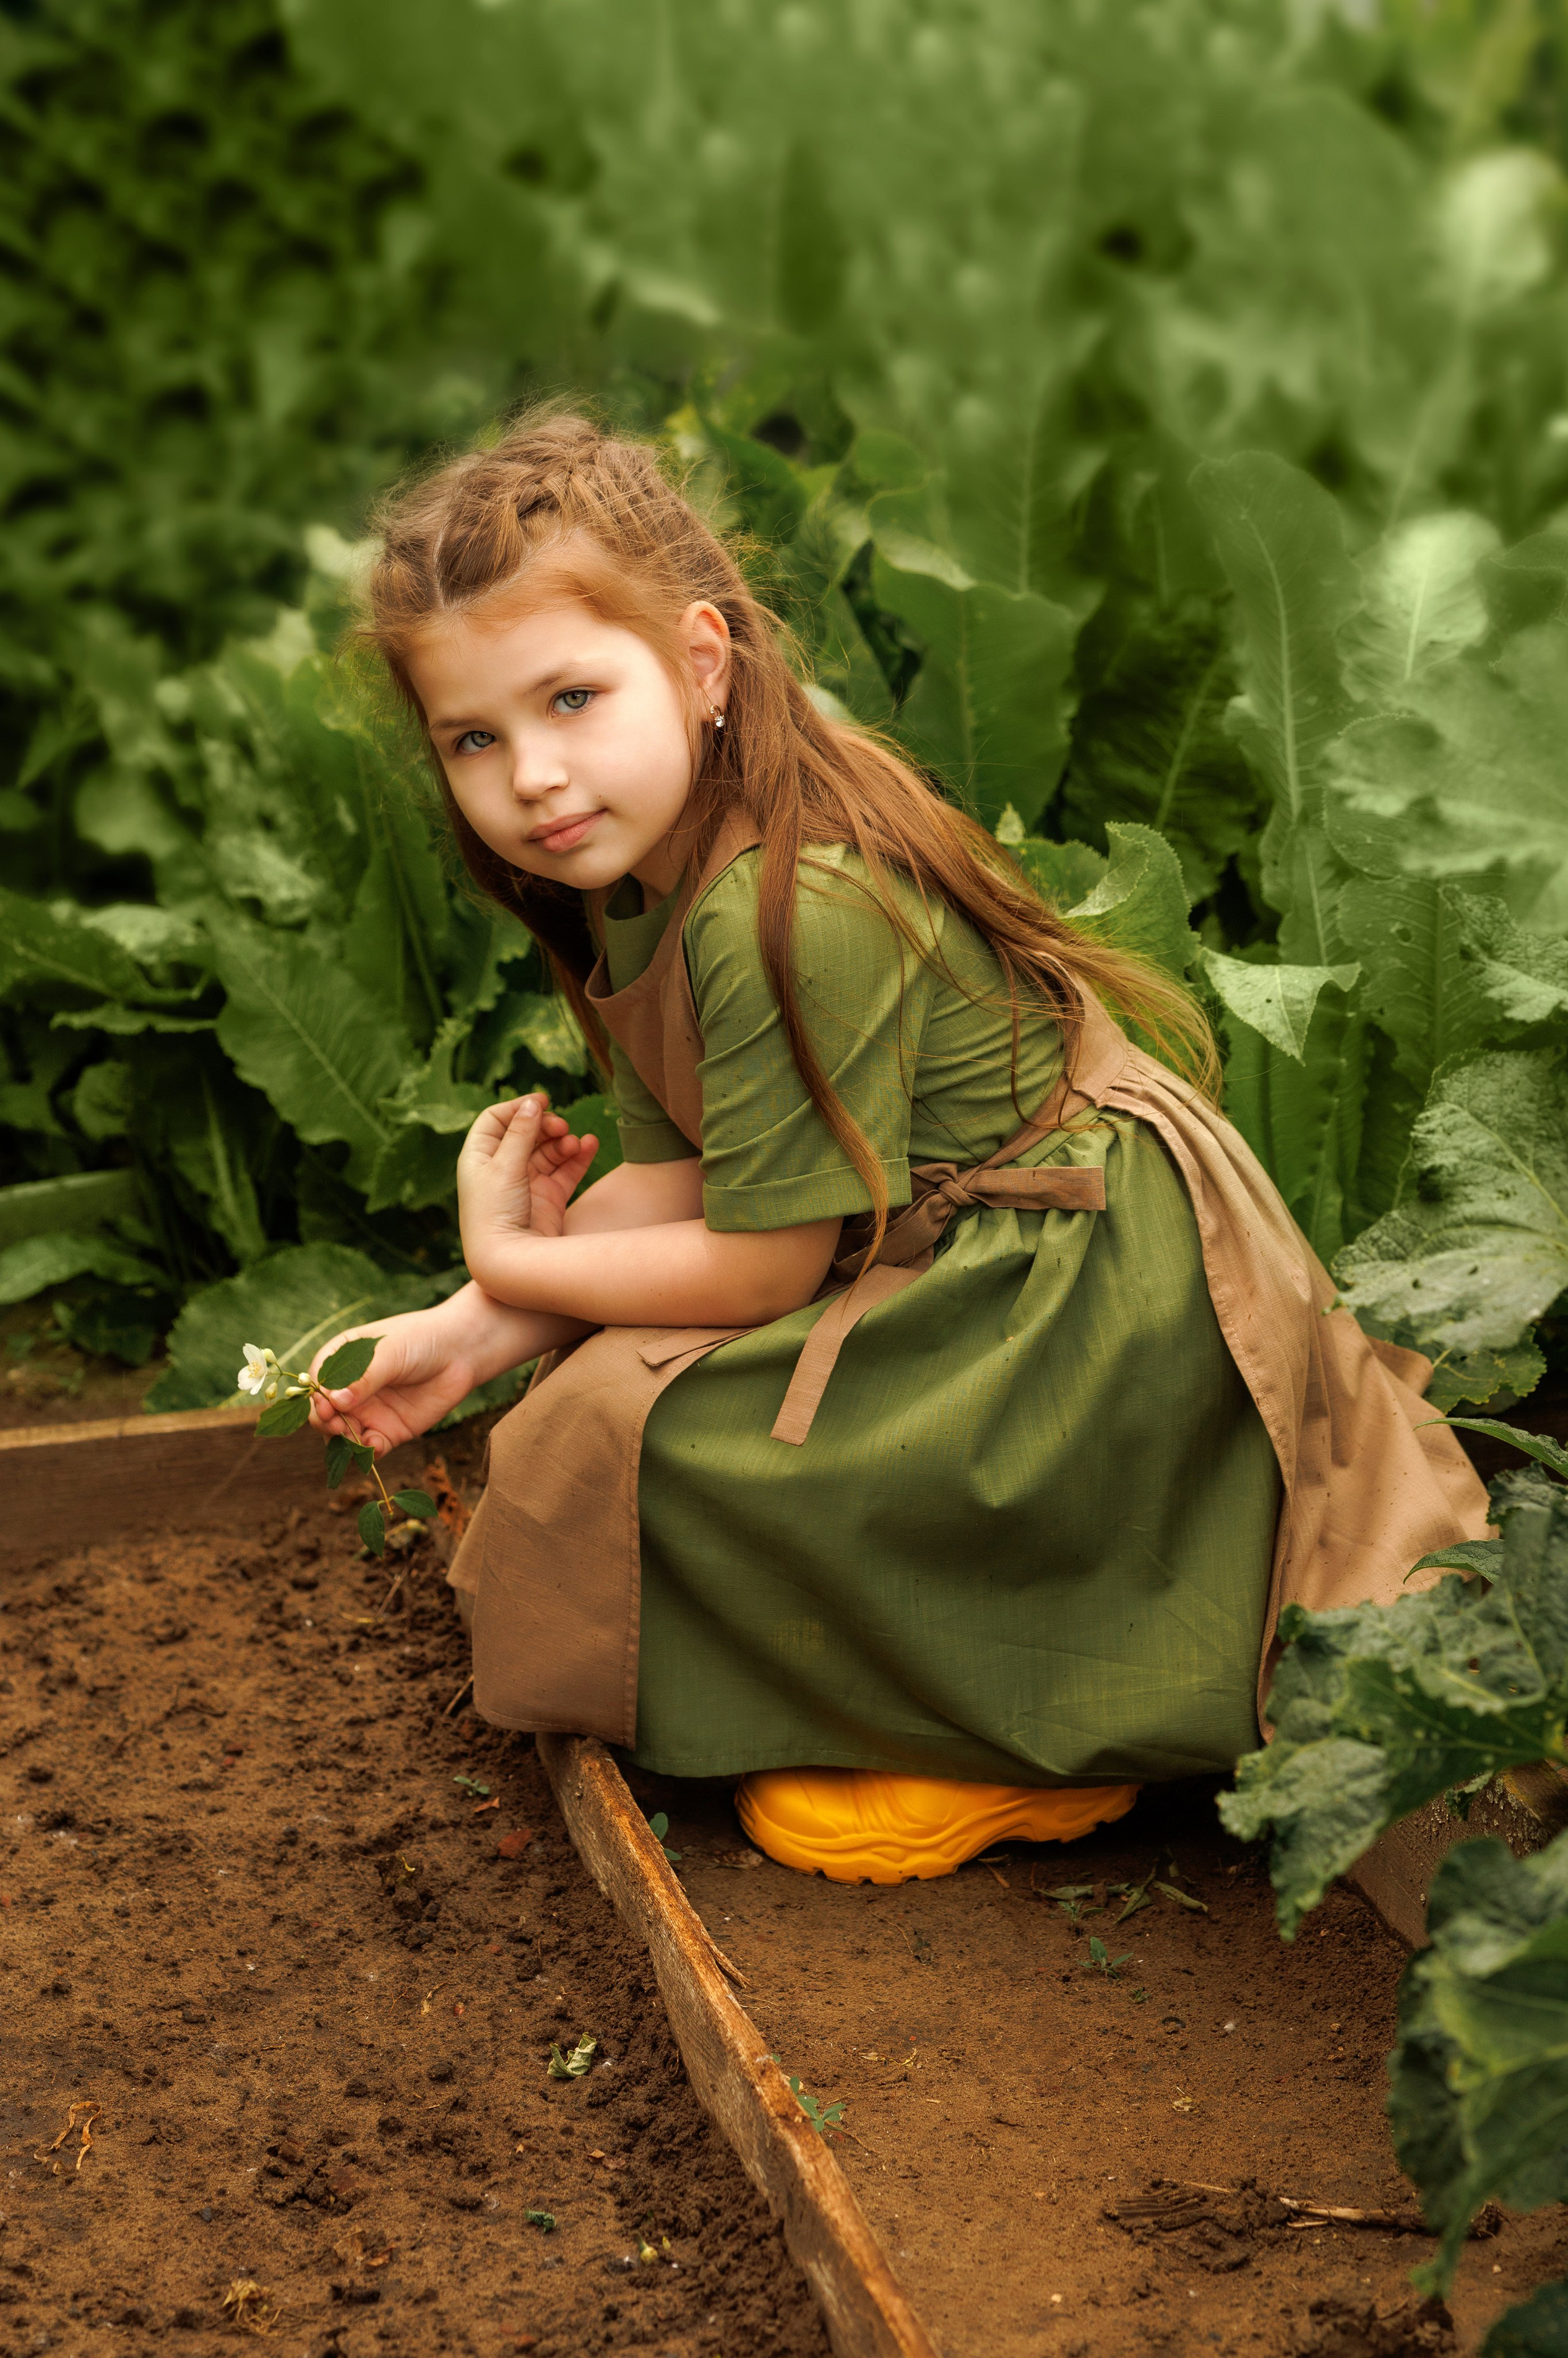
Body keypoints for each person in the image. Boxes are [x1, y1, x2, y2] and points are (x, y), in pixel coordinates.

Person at [308, 409, 1488, 1886]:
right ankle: (904, 1670)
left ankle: (1029, 1731)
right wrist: (477, 1327)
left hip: (1078, 1296)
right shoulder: (640, 878)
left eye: (570, 700)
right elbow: (683, 1182)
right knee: (583, 1411)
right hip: (932, 1241)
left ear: (696, 662)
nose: (532, 777)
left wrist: (507, 1247)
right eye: (475, 739)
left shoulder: (787, 903)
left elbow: (756, 1265)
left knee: (622, 1437)